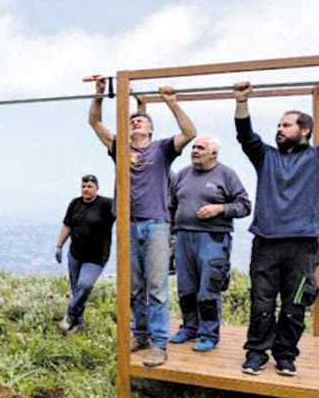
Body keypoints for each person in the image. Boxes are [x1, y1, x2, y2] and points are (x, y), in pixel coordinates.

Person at [88, 78, 196, 367]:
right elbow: (95, 123)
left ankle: (159, 344)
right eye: (132, 120)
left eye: (140, 120)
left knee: (157, 285)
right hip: (127, 224)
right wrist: (99, 96)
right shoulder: (119, 148)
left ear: (150, 129)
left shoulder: (161, 149)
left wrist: (172, 103)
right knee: (134, 286)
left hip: (156, 224)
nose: (135, 122)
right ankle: (141, 333)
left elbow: (189, 132)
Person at [233, 81, 319, 376]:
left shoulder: (316, 159)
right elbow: (245, 136)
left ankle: (285, 354)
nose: (280, 129)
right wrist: (242, 101)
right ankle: (256, 353)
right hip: (266, 243)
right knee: (261, 302)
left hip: (303, 245)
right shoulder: (266, 157)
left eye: (287, 124)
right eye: (279, 125)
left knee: (295, 304)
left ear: (304, 130)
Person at [168, 135, 251, 352]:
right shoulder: (183, 174)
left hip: (213, 238)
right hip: (184, 237)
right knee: (186, 287)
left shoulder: (226, 174)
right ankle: (189, 328)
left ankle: (208, 334)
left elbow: (244, 205)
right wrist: (170, 234)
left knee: (209, 288)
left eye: (200, 148)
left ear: (213, 153)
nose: (194, 150)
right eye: (194, 147)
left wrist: (219, 209)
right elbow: (172, 206)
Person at [55, 174, 115, 335]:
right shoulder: (75, 204)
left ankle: (70, 314)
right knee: (77, 290)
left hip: (96, 257)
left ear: (97, 188)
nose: (86, 190)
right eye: (84, 186)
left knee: (85, 285)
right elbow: (67, 225)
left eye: (89, 187)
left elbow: (122, 211)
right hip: (75, 254)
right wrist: (59, 245)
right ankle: (76, 323)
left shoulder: (106, 204)